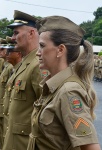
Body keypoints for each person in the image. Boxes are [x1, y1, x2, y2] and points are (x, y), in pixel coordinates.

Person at [27, 16, 101, 150]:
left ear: (60, 50)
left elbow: (91, 148)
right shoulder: (54, 86)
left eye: (42, 46)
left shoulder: (68, 91)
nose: (37, 53)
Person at [2, 10, 43, 150]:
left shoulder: (38, 64)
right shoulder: (26, 62)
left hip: (25, 144)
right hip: (15, 141)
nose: (12, 38)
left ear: (31, 33)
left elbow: (46, 115)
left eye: (16, 33)